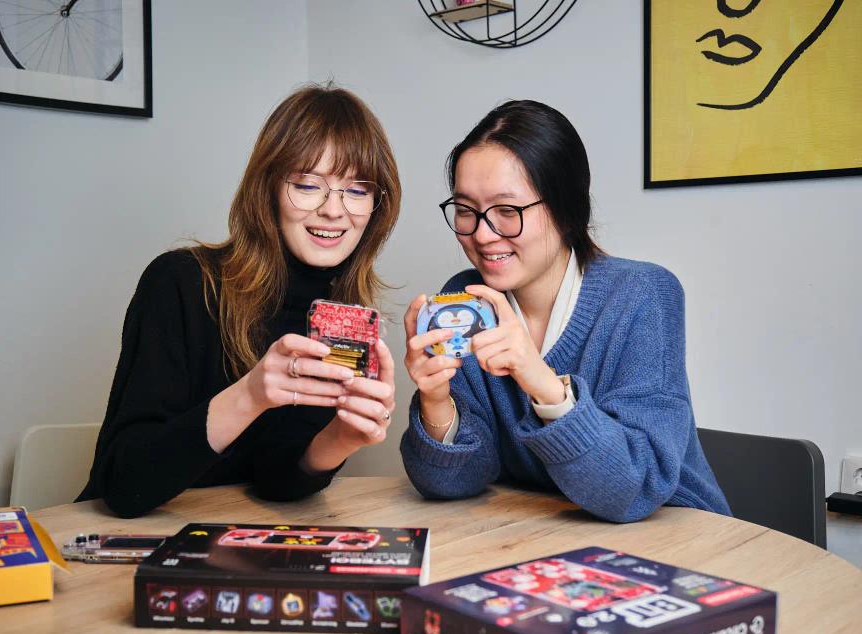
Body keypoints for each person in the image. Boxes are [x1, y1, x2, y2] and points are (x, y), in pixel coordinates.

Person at [78, 84, 400, 517]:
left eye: (357, 190)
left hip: (236, 545)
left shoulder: (339, 316)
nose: (333, 210)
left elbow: (274, 480)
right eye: (308, 184)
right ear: (267, 188)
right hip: (126, 544)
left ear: (377, 206)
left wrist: (344, 436)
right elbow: (123, 484)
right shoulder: (180, 283)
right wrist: (251, 394)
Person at [400, 100, 730, 523]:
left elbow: (630, 490)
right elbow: (454, 484)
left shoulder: (643, 295)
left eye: (508, 211)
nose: (482, 234)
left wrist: (539, 380)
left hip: (678, 534)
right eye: (466, 211)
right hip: (549, 533)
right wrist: (436, 401)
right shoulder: (465, 300)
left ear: (567, 208)